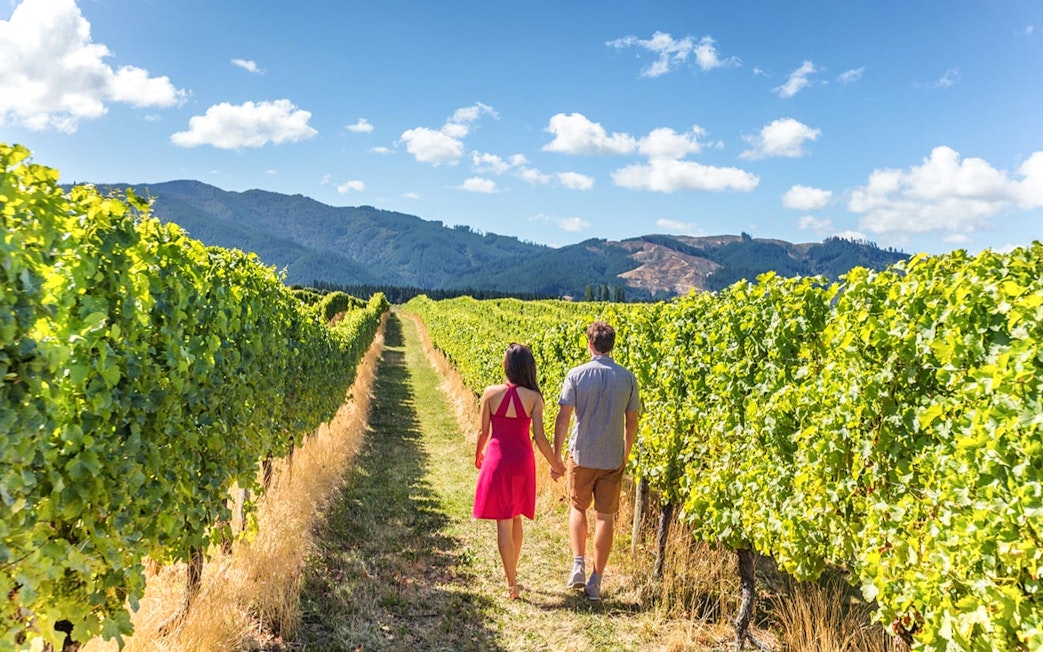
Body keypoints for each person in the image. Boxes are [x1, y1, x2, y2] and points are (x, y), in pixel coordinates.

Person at [552, 320, 640, 601]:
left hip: (581, 453)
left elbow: (563, 418)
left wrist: (556, 456)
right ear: (611, 345)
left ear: (590, 344)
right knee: (605, 517)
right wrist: (624, 454)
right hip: (612, 456)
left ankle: (578, 563)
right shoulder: (627, 378)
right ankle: (596, 581)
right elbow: (632, 422)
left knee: (577, 508)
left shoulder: (576, 375)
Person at [473, 343, 566, 600]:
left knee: (503, 521)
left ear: (506, 366)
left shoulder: (490, 394)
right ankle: (513, 574)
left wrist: (477, 453)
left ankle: (511, 583)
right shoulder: (534, 398)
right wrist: (556, 463)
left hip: (498, 459)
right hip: (523, 462)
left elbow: (483, 432)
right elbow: (540, 437)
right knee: (515, 518)